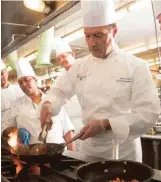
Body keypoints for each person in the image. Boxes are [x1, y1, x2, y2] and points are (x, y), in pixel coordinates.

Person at [40, 0, 160, 161]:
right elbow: (58, 91)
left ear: (114, 31)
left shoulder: (136, 66)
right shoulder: (79, 67)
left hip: (123, 150)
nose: (92, 43)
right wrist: (48, 105)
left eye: (98, 35)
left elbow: (149, 113)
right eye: (87, 36)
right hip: (89, 148)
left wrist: (106, 124)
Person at [2, 59, 75, 150]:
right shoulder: (16, 105)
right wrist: (14, 131)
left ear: (35, 80)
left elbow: (67, 130)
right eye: (20, 82)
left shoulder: (53, 101)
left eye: (27, 80)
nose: (24, 84)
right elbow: (4, 126)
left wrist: (72, 154)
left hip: (59, 153)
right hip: (33, 155)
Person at [53, 38, 83, 151]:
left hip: (89, 125)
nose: (61, 60)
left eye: (63, 56)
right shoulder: (59, 80)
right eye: (59, 59)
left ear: (73, 54)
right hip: (70, 128)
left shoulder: (86, 69)